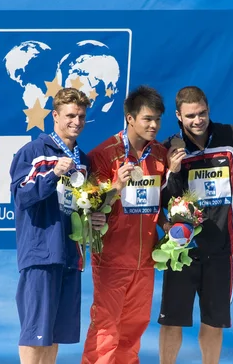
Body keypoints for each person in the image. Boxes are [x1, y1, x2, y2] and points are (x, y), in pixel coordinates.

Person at [158, 86, 233, 364]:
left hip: (221, 247)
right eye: (190, 116)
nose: (198, 120)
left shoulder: (230, 136)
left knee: (214, 322)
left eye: (202, 113)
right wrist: (172, 172)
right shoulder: (170, 148)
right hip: (182, 250)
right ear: (178, 116)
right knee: (172, 321)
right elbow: (160, 199)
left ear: (208, 109)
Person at [10, 88, 107, 364]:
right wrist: (53, 174)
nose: (76, 122)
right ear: (54, 115)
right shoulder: (34, 152)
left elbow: (79, 206)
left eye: (81, 116)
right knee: (34, 332)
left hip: (69, 255)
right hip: (41, 253)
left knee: (53, 333)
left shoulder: (82, 160)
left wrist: (93, 219)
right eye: (70, 115)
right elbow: (21, 196)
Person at [81, 85, 169, 364]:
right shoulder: (103, 155)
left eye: (157, 119)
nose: (154, 125)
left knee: (134, 331)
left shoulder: (161, 155)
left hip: (145, 260)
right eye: (147, 119)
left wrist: (168, 225)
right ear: (130, 118)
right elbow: (90, 208)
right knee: (106, 330)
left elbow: (160, 202)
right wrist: (116, 186)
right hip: (112, 259)